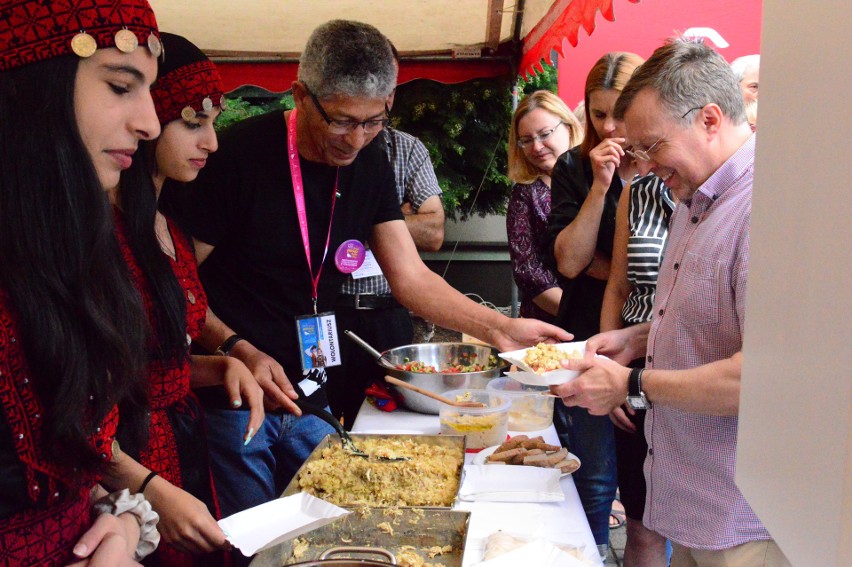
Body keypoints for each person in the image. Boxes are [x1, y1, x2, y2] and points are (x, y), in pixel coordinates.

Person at [159, 19, 571, 523]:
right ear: (300, 96)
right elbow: (173, 286)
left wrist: (500, 327)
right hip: (238, 396)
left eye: (374, 120)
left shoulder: (372, 158)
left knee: (329, 523)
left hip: (310, 387)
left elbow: (411, 277)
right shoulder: (235, 157)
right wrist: (233, 346)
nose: (356, 139)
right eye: (341, 120)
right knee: (249, 540)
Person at [556, 38, 787, 565]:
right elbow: (710, 317)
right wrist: (635, 338)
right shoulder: (694, 196)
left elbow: (766, 377)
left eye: (651, 145)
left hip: (740, 521)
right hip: (691, 508)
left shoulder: (766, 207)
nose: (644, 164)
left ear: (709, 119)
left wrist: (634, 382)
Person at [0, 1, 163, 564]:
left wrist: (114, 523)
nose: (151, 123)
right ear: (29, 91)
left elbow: (63, 465)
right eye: (121, 85)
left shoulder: (66, 255)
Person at [102, 32, 265, 565]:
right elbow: (91, 389)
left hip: (179, 447)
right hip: (122, 470)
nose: (212, 144)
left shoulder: (166, 224)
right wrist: (142, 485)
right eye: (194, 122)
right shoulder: (95, 237)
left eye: (213, 123)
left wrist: (218, 365)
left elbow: (151, 362)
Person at [542, 52, 645, 560]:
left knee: (649, 482)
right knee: (596, 469)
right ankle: (594, 552)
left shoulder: (664, 164)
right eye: (597, 113)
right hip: (590, 333)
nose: (609, 126)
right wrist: (601, 186)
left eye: (618, 113)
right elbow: (569, 261)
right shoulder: (574, 167)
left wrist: (607, 267)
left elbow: (653, 265)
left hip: (653, 337)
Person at [326, 42, 445, 428]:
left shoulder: (407, 149)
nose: (357, 136)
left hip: (388, 313)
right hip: (327, 314)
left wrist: (365, 223)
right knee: (323, 423)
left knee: (393, 422)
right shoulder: (321, 147)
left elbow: (433, 231)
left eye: (385, 82)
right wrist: (397, 219)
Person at [600, 170, 675, 567]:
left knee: (702, 532)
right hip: (632, 362)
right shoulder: (638, 188)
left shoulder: (744, 190)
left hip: (700, 368)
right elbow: (617, 285)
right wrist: (608, 370)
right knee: (641, 522)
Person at [506, 90, 584, 324]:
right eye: (527, 140)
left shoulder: (599, 178)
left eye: (544, 134)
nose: (537, 147)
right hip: (550, 326)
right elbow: (529, 273)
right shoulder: (525, 194)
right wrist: (581, 316)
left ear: (569, 127)